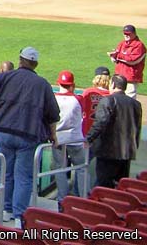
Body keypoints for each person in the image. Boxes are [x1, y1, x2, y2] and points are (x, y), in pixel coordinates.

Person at [0, 47, 59, 226]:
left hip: (4, 132)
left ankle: (6, 210)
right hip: (27, 135)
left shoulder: (6, 76)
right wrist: (53, 135)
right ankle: (19, 215)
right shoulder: (42, 84)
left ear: (20, 60)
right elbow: (53, 114)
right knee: (24, 176)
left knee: (7, 173)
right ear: (35, 64)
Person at [86, 74, 142, 188]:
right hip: (127, 153)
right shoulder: (136, 104)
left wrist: (88, 138)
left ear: (113, 84)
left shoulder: (108, 100)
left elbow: (100, 122)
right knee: (121, 186)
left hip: (108, 152)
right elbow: (137, 127)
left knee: (104, 185)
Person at [52, 71, 87, 202]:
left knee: (59, 168)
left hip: (58, 138)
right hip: (75, 138)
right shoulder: (78, 99)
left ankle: (62, 198)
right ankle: (82, 198)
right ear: (72, 84)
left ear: (58, 83)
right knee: (81, 168)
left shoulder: (53, 98)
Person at [107, 25, 145, 98]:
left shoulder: (139, 45)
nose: (126, 35)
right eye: (125, 33)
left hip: (130, 78)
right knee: (114, 97)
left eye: (128, 34)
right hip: (119, 76)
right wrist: (113, 57)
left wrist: (118, 55)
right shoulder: (122, 43)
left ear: (134, 33)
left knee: (129, 98)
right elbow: (116, 58)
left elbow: (133, 60)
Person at [81, 67, 111, 135]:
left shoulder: (88, 92)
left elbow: (81, 110)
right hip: (106, 132)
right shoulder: (112, 95)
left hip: (88, 130)